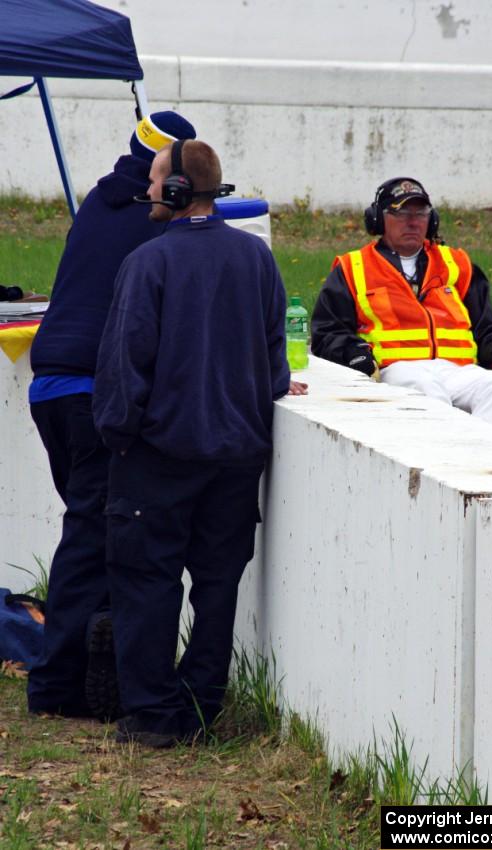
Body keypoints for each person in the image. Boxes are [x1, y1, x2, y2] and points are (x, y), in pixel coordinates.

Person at [92, 139, 291, 747]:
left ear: (177, 191)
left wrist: (119, 436)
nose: (148, 191)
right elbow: (275, 365)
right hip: (237, 458)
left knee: (146, 582)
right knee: (217, 585)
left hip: (159, 457)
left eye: (155, 182)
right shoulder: (258, 261)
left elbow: (124, 367)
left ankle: (152, 716)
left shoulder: (148, 262)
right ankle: (202, 711)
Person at [27, 111, 197, 721]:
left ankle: (89, 673)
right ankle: (55, 687)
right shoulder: (154, 222)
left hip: (47, 386)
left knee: (94, 532)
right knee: (92, 537)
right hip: (91, 391)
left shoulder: (99, 203)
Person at [311, 177, 492, 428]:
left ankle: (477, 458)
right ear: (377, 219)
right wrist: (353, 352)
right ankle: (442, 462)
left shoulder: (457, 264)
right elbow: (327, 332)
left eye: (421, 212)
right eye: (402, 212)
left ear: (432, 219)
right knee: (426, 387)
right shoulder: (353, 268)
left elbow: (486, 326)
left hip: (456, 370)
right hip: (394, 370)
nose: (413, 221)